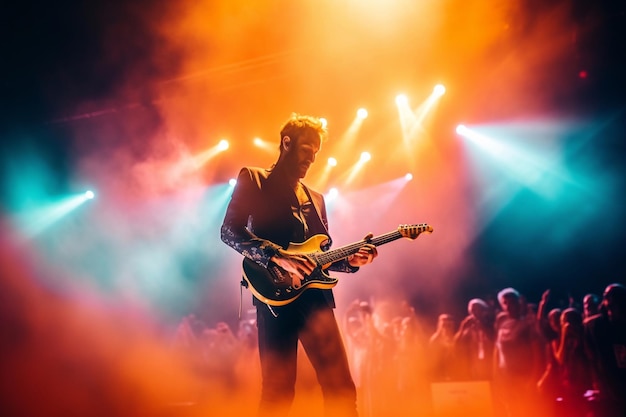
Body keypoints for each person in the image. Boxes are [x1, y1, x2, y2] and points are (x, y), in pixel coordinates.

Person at [220, 114, 378, 417]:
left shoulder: (316, 199)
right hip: (273, 297)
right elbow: (229, 231)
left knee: (341, 387)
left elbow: (321, 258)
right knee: (278, 392)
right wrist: (278, 256)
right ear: (287, 143)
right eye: (307, 150)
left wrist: (351, 262)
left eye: (316, 154)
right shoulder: (253, 178)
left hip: (316, 299)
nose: (312, 159)